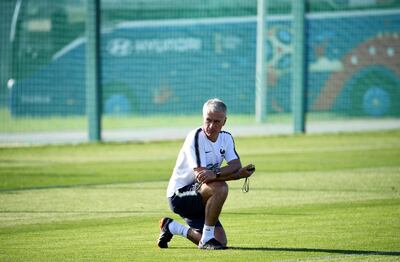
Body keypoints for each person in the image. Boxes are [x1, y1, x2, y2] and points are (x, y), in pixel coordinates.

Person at [157, 98, 255, 250]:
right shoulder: (195, 137)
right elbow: (202, 176)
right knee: (220, 187)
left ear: (225, 121)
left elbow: (236, 165)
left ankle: (171, 227)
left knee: (221, 242)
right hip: (179, 196)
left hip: (202, 194)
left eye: (217, 121)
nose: (211, 126)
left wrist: (232, 173)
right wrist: (234, 175)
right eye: (208, 120)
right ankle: (207, 238)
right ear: (203, 118)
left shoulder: (226, 137)